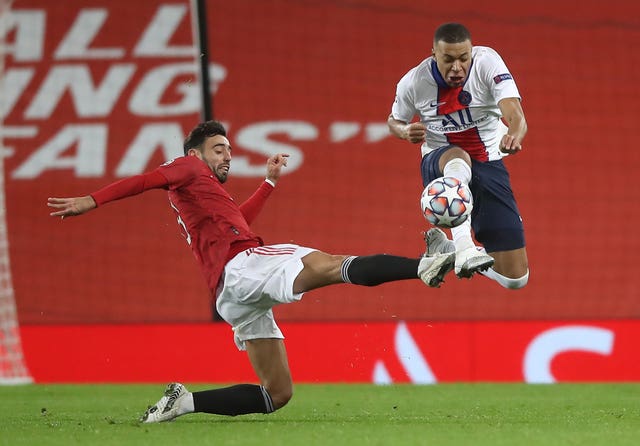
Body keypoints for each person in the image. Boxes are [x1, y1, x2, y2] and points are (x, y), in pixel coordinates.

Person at [47, 120, 455, 422]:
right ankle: (425, 265)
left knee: (277, 394)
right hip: (242, 269)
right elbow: (145, 180)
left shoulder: (206, 194)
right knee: (329, 265)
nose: (227, 155)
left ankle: (184, 402)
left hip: (233, 293)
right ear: (196, 154)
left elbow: (239, 222)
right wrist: (92, 200)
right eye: (219, 149)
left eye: (228, 149)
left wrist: (269, 184)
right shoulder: (188, 168)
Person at [387, 22, 529, 290]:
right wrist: (404, 131)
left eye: (463, 58)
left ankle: (448, 249)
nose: (457, 67)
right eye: (448, 59)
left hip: (488, 161)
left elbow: (516, 114)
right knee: (457, 157)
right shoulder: (414, 82)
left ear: (471, 53)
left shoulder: (487, 63)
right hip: (440, 161)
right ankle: (464, 246)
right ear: (434, 55)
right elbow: (394, 121)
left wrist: (515, 134)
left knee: (515, 279)